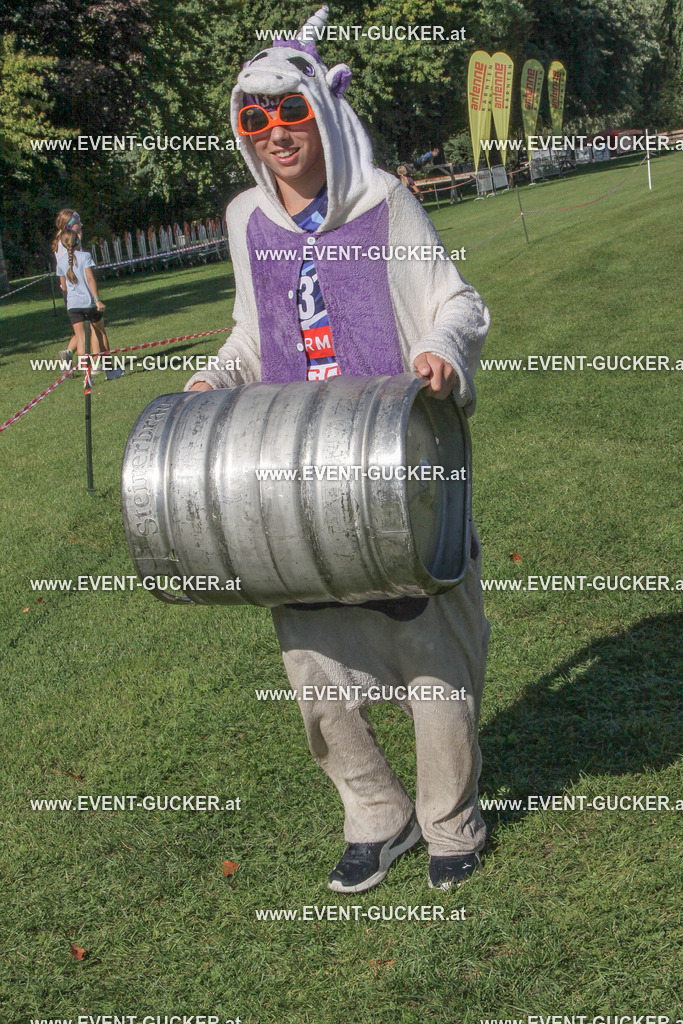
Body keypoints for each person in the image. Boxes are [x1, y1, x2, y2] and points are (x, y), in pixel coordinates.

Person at [185, 5, 490, 893]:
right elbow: (252, 335)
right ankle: (375, 814)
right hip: (290, 474)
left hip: (396, 459)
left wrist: (440, 349)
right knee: (313, 659)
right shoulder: (246, 218)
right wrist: (215, 377)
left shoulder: (382, 201)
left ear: (322, 112)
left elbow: (456, 302)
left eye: (291, 112)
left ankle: (450, 820)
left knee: (430, 645)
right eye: (254, 118)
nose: (274, 133)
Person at [55, 229, 124, 381]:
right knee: (100, 333)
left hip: (73, 305)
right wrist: (97, 299)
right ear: (76, 241)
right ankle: (110, 371)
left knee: (81, 339)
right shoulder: (85, 256)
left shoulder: (60, 262)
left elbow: (63, 287)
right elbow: (90, 279)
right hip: (89, 303)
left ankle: (87, 377)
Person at [52, 209, 81, 366]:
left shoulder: (70, 239)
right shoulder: (65, 243)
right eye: (77, 222)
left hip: (75, 289)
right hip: (73, 290)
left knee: (85, 328)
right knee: (84, 329)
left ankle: (68, 354)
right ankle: (89, 364)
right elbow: (66, 270)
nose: (80, 225)